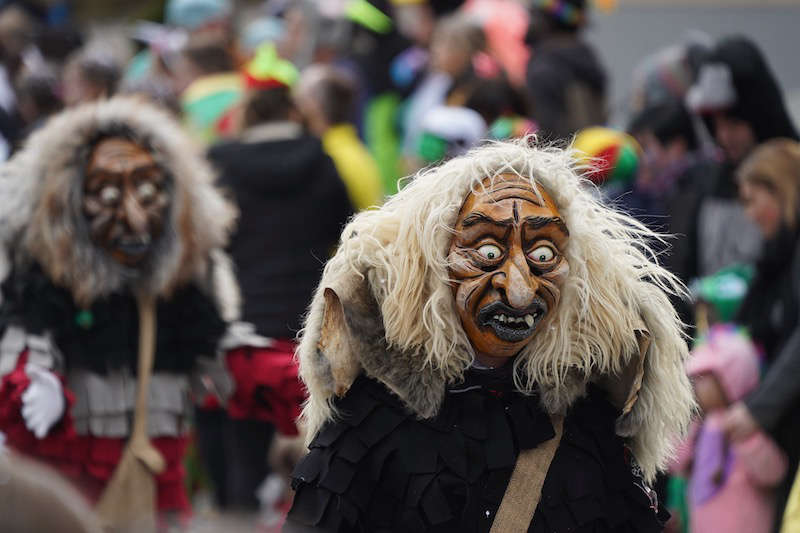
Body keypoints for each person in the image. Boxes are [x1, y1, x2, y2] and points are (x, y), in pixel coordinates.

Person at [284, 138, 695, 532]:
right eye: (488, 252)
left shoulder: (588, 424)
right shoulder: (373, 424)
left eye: (544, 255)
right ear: (433, 263)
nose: (520, 291)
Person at [0, 96, 258, 527]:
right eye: (105, 193)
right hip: (65, 496)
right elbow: (18, 355)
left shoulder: (182, 284)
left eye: (148, 191)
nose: (136, 219)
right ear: (65, 203)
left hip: (154, 493)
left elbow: (232, 361)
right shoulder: (34, 280)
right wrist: (29, 383)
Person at [206, 43, 351, 511]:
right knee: (314, 447)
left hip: (242, 327)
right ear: (292, 106)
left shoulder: (219, 163)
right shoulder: (321, 158)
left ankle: (238, 518)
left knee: (241, 449)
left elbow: (207, 243)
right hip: (308, 327)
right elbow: (342, 233)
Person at [721, 139, 800, 526]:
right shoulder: (778, 258)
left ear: (780, 190)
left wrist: (757, 409)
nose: (749, 214)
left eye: (753, 200)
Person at [685, 35, 798, 277]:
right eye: (716, 125)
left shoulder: (793, 177)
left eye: (734, 123)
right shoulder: (710, 182)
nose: (724, 136)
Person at [672, 326, 787, 533]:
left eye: (706, 380)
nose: (698, 387)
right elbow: (675, 462)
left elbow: (773, 474)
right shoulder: (699, 426)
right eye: (696, 380)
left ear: (733, 379)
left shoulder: (746, 427)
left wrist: (748, 440)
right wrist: (686, 427)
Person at [295, 64, 383, 211]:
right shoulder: (352, 151)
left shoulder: (331, 158)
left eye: (299, 99)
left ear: (313, 106)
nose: (293, 108)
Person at [524, 0, 606, 140]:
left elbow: (547, 134)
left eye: (534, 16)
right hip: (591, 154)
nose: (528, 23)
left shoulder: (545, 68)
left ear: (548, 22)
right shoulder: (587, 59)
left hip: (558, 158)